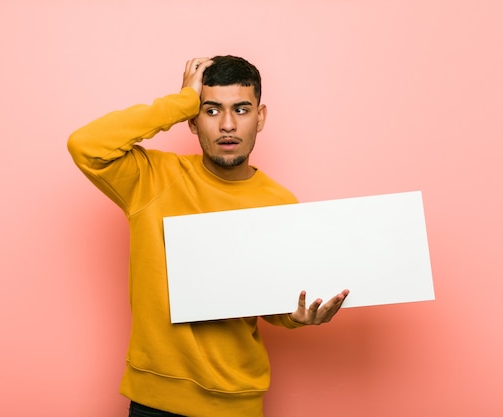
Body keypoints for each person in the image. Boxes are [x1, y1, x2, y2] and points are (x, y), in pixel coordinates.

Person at [67, 55, 349, 417]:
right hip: (155, 400)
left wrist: (297, 316)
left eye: (242, 110)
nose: (228, 125)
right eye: (211, 111)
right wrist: (182, 100)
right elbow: (85, 145)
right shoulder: (151, 179)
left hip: (237, 402)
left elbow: (276, 304)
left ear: (260, 117)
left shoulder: (279, 202)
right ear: (193, 120)